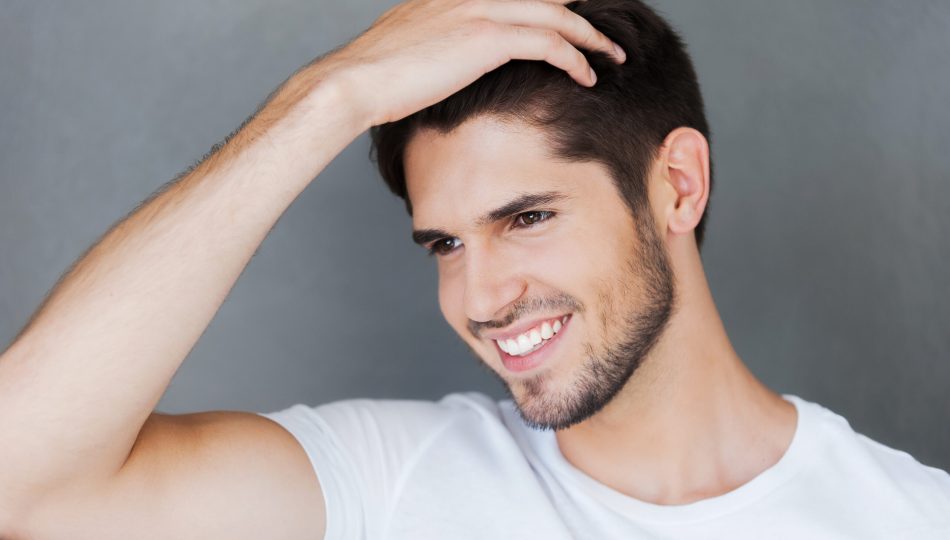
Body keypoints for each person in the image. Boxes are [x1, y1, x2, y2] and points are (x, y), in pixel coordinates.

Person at [1, 0, 947, 538]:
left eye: (526, 217)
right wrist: (325, 99)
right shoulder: (390, 481)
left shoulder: (910, 518)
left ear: (677, 185)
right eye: (444, 243)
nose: (479, 298)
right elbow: (22, 482)